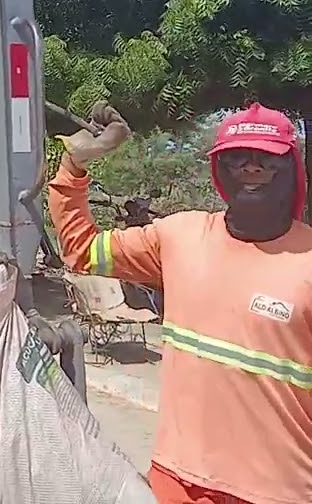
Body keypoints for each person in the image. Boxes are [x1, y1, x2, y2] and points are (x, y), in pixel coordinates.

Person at [49, 101, 312, 504]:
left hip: (279, 490)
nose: (251, 168)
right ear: (220, 171)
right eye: (237, 158)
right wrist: (75, 165)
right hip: (177, 482)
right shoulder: (179, 237)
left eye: (267, 159)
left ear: (292, 170)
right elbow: (82, 250)